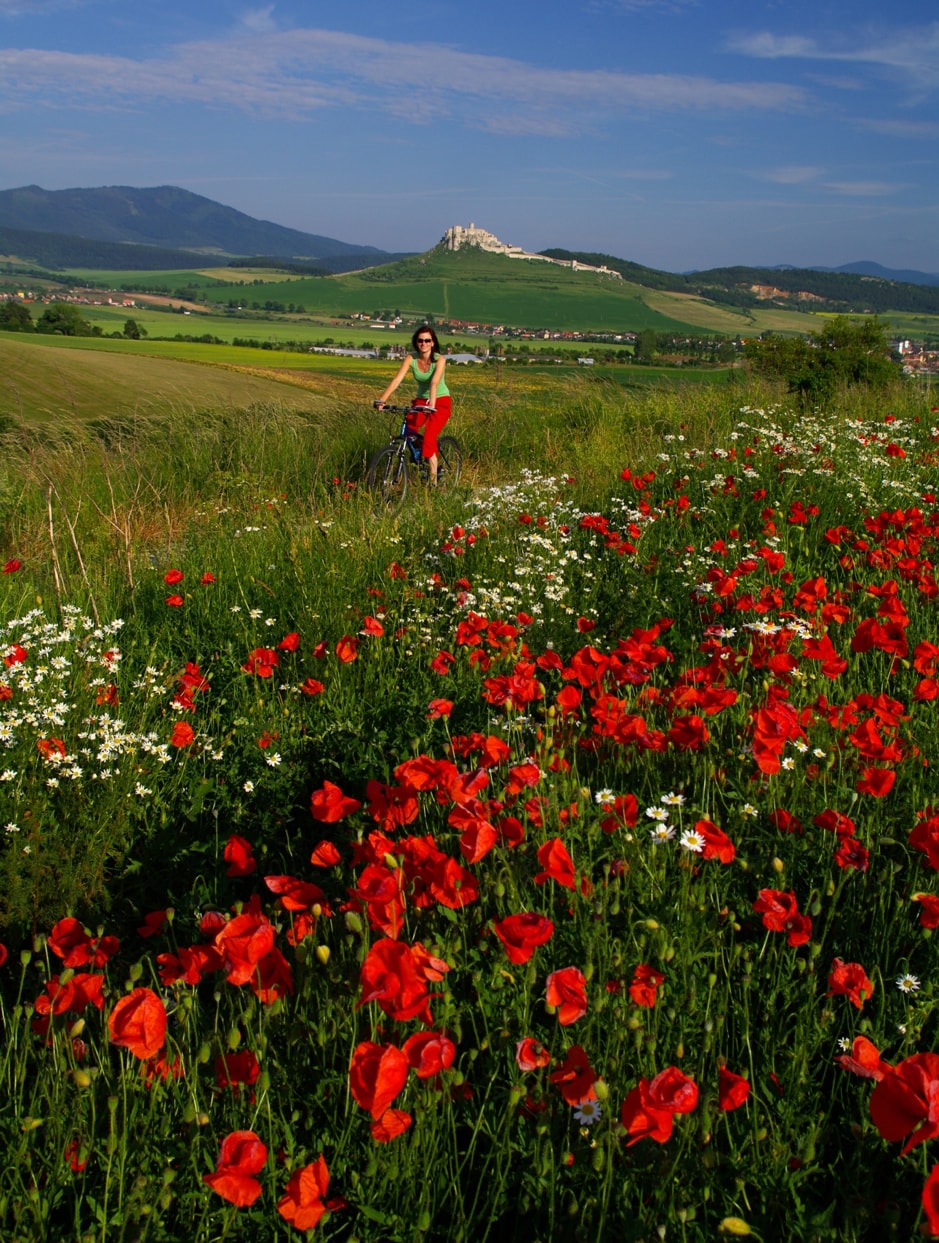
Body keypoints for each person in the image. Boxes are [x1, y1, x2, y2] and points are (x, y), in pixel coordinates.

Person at [375, 325, 451, 484]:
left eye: (427, 340)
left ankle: (434, 482)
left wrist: (431, 405)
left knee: (430, 436)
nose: (423, 343)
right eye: (420, 340)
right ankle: (420, 454)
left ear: (432, 343)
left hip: (440, 401)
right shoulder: (411, 358)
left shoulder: (440, 360)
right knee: (409, 428)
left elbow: (434, 383)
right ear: (416, 342)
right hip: (421, 401)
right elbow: (397, 380)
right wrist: (382, 400)